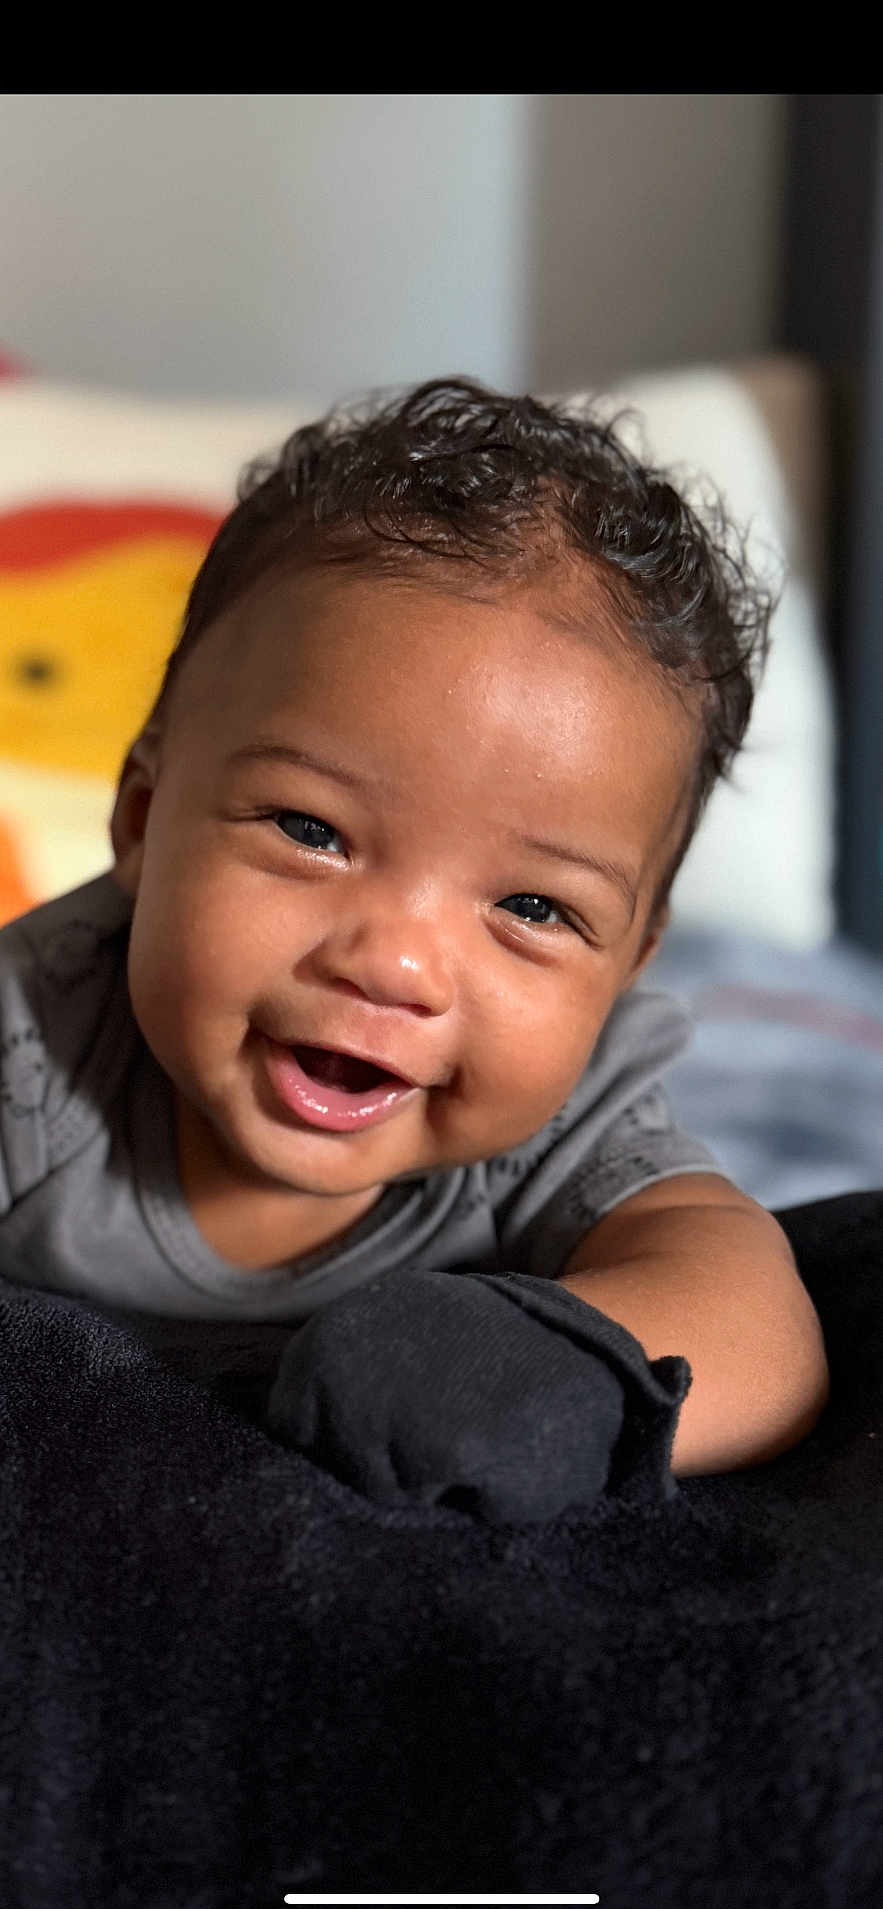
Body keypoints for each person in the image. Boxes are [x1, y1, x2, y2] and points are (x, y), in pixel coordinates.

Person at [0, 378, 829, 1478]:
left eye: (532, 909)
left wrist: (548, 1379)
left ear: (629, 965)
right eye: (312, 832)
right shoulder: (33, 1038)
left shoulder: (563, 1125)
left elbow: (754, 1320)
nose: (394, 964)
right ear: (144, 820)